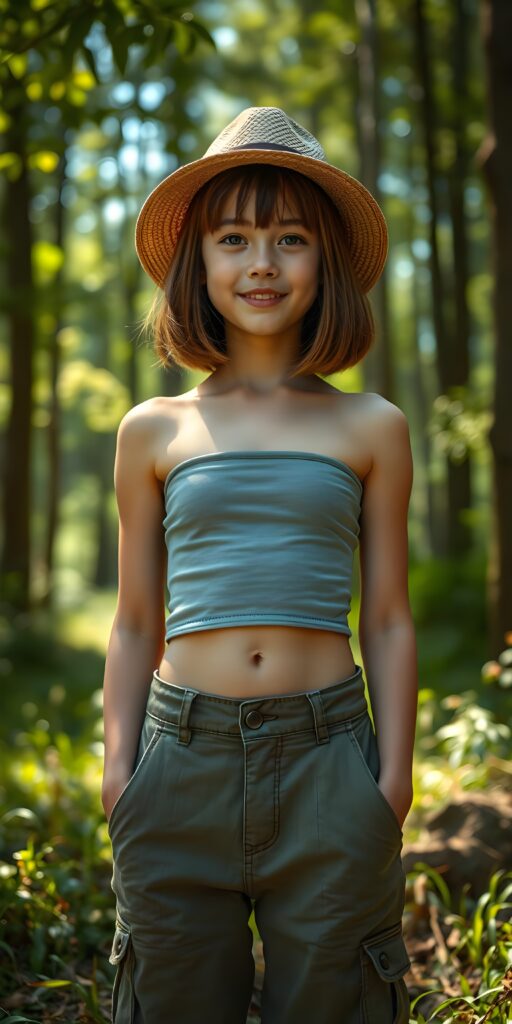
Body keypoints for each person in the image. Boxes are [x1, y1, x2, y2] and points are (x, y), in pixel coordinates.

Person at [101, 106, 418, 1024]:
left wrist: (390, 782)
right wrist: (121, 774)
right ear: (198, 261)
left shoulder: (372, 426)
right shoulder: (154, 430)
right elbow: (132, 621)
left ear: (326, 262)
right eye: (233, 238)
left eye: (289, 239)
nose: (262, 264)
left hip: (328, 762)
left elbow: (390, 617)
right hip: (177, 764)